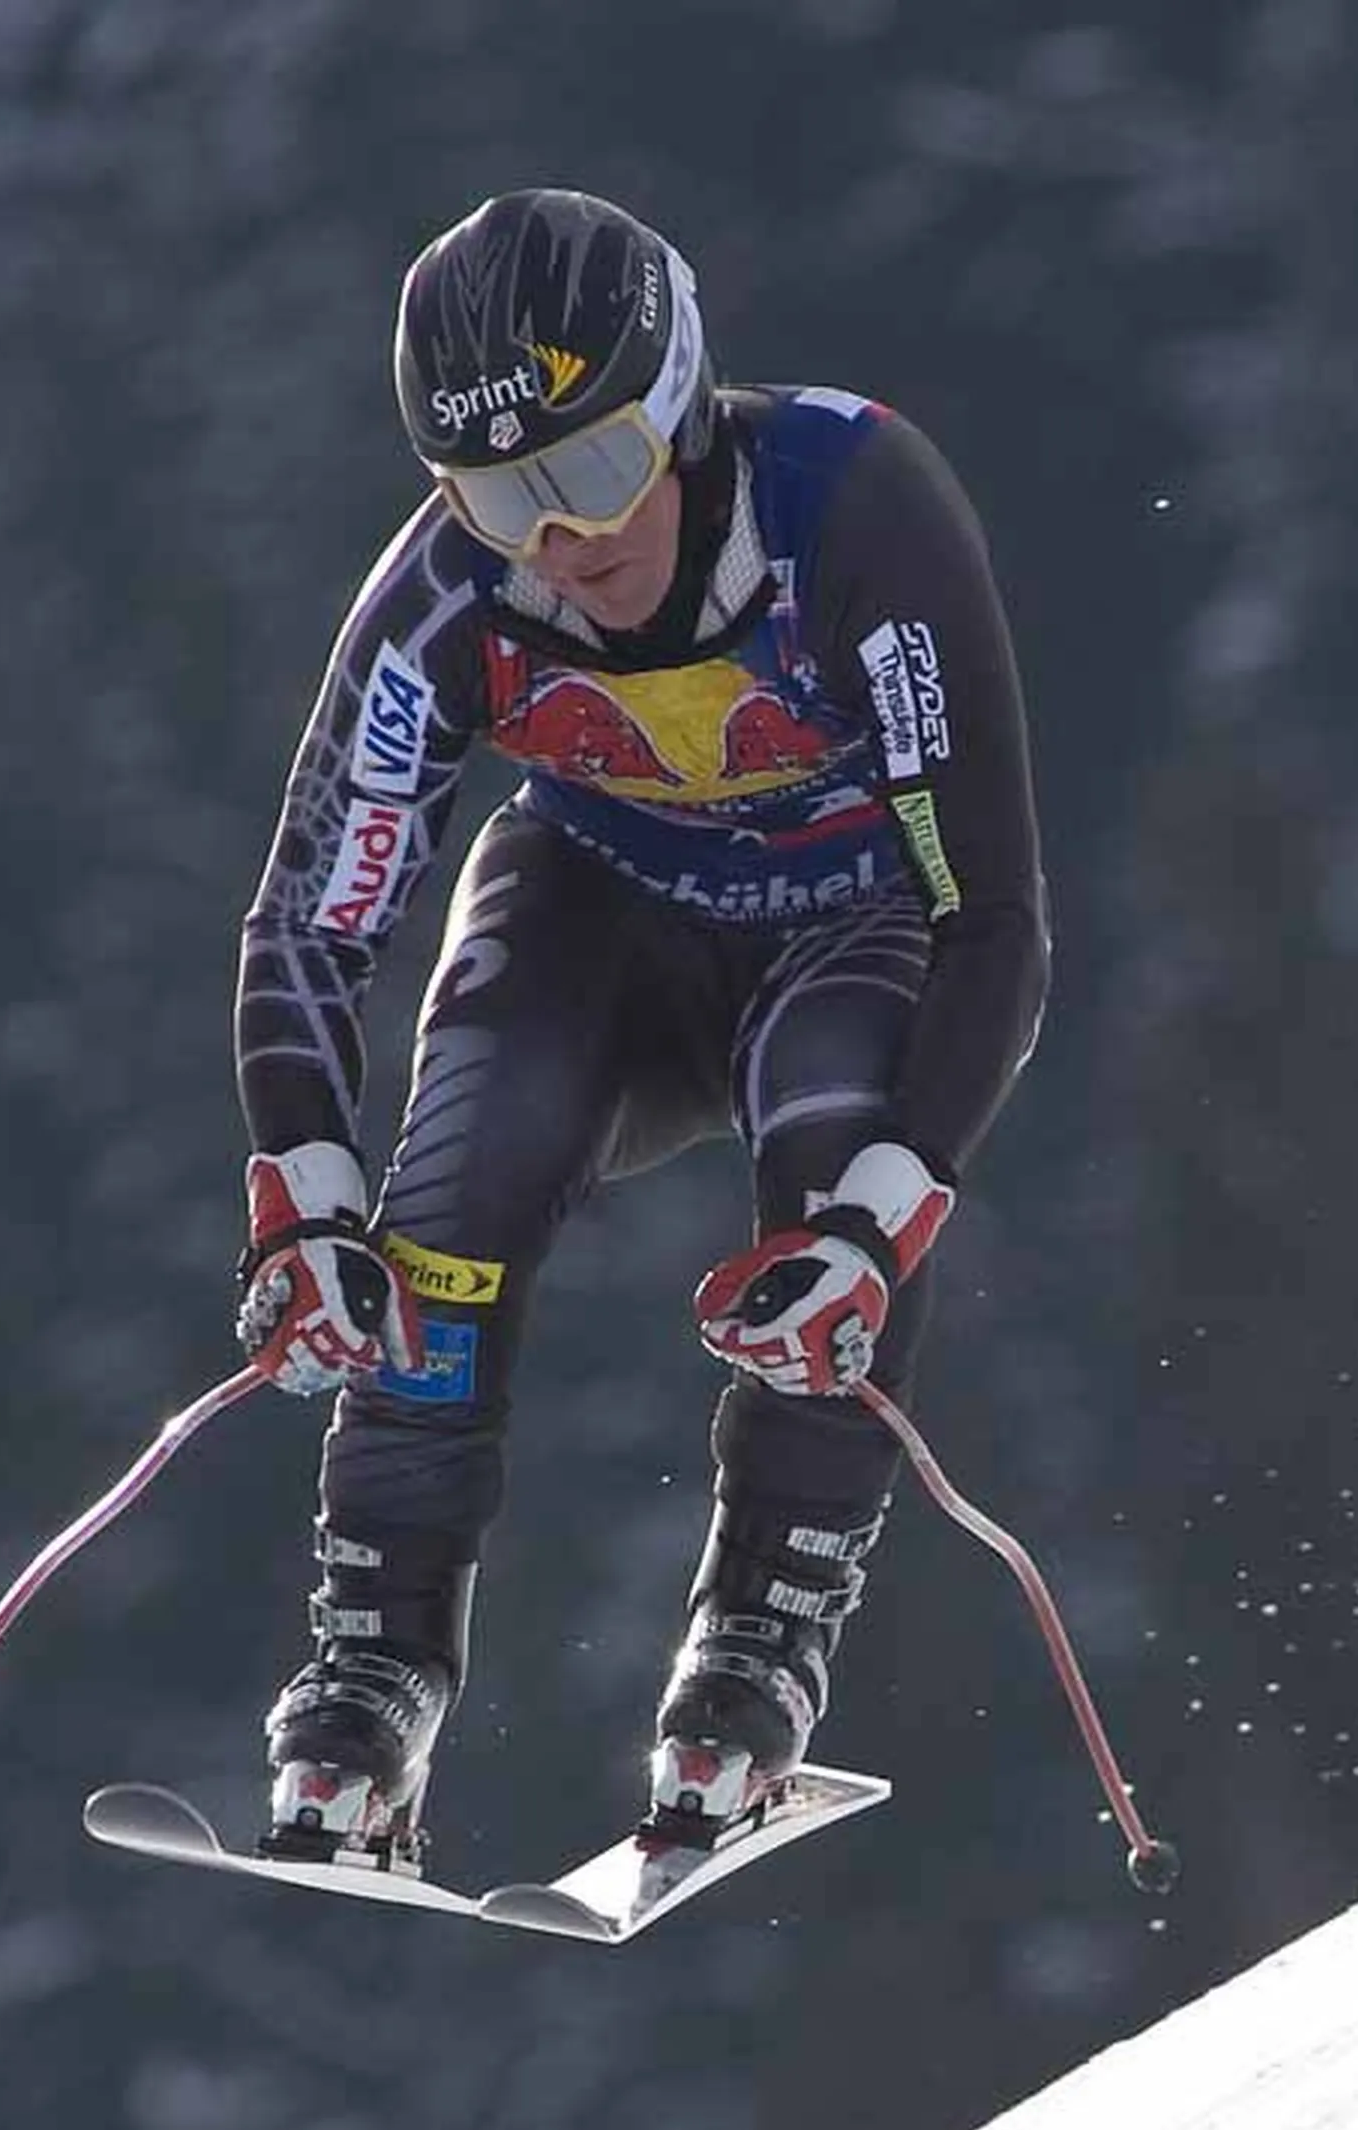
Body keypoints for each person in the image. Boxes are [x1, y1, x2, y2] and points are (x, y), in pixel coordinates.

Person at [226, 187, 1047, 1871]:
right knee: (446, 1199)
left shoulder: (849, 505)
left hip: (857, 918)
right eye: (500, 492)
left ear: (677, 412)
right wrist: (306, 1190)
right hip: (597, 913)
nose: (564, 541)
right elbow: (317, 908)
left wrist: (890, 1217)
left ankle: (762, 1636)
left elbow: (995, 919)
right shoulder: (447, 593)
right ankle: (376, 1658)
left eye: (593, 470)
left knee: (835, 1193)